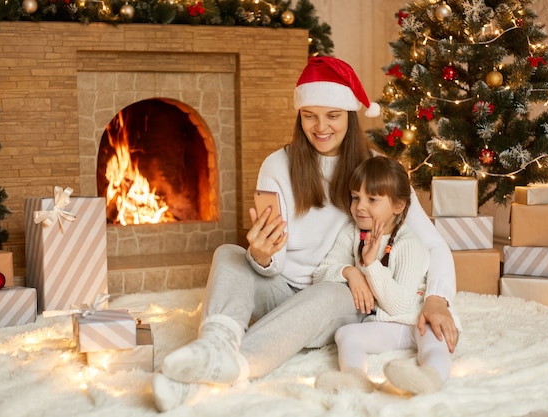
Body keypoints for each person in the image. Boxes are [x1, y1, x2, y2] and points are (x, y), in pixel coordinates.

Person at [152, 56, 458, 412]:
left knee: (327, 291)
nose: (320, 127)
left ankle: (239, 364)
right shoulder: (277, 166)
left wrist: (437, 298)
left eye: (332, 116)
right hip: (282, 289)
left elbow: (433, 244)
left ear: (350, 115)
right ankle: (215, 347)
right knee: (228, 254)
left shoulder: (375, 169)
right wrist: (262, 255)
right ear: (299, 116)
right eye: (309, 115)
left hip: (343, 298)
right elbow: (270, 263)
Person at [313, 156, 460, 395]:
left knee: (436, 343)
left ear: (398, 206)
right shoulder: (353, 233)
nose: (360, 206)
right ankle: (355, 377)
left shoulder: (409, 243)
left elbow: (399, 305)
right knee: (346, 334)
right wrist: (349, 271)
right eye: (355, 197)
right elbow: (321, 274)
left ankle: (429, 377)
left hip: (419, 318)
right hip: (387, 325)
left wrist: (370, 265)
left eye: (372, 199)